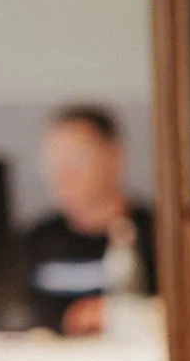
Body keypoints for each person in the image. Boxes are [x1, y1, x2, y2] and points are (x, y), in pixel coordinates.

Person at [20, 104, 157, 336]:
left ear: (115, 157)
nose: (63, 174)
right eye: (54, 160)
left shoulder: (156, 235)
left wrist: (114, 315)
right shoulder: (35, 240)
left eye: (76, 158)